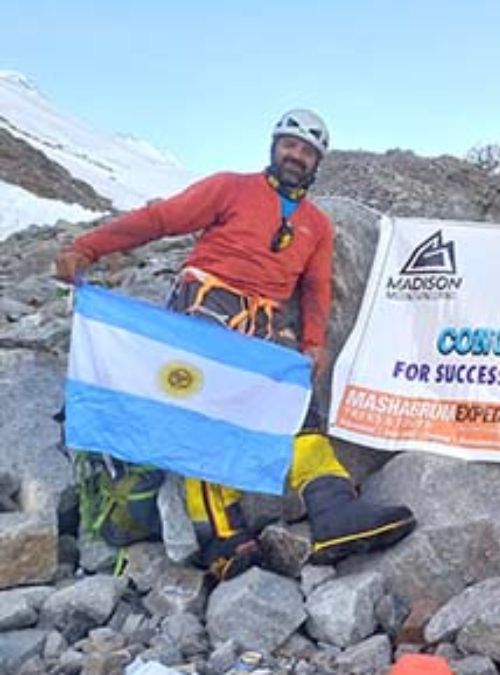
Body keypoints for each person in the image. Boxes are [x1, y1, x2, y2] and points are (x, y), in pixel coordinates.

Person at [55, 109, 416, 580]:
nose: (296, 155)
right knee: (207, 422)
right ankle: (223, 538)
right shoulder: (229, 188)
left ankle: (332, 511)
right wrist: (88, 247)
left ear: (317, 161)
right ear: (274, 145)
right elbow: (160, 219)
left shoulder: (317, 225)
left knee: (295, 409)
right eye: (290, 145)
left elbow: (316, 288)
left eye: (307, 151)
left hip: (262, 324)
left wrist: (313, 343)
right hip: (204, 310)